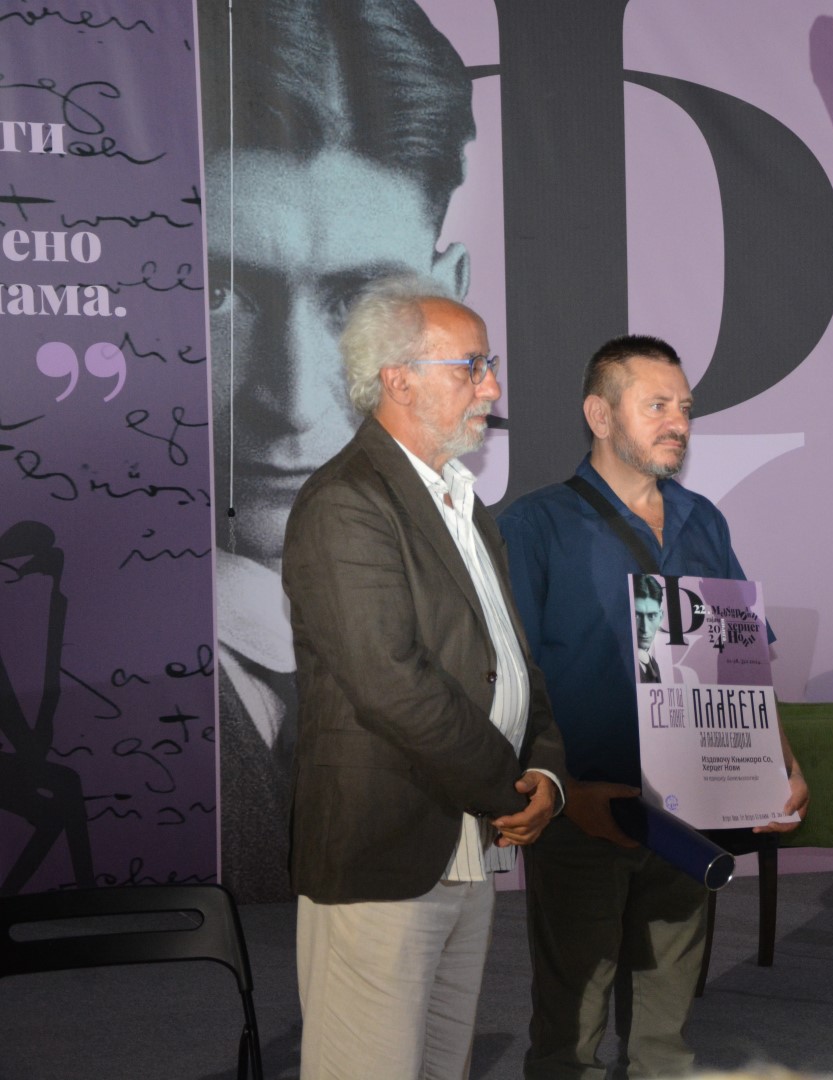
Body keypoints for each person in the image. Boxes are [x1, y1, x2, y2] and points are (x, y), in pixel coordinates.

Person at [198, 0, 480, 902]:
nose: (289, 401)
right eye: (221, 295)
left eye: (361, 304)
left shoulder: (472, 562)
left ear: (451, 304)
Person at [499, 334, 810, 1080]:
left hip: (688, 806)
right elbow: (511, 677)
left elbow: (741, 662)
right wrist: (564, 791)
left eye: (685, 408)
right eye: (658, 406)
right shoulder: (533, 525)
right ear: (600, 415)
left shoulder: (704, 520)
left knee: (666, 1028)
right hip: (586, 802)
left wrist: (783, 764)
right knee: (569, 1025)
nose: (679, 423)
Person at [282, 276, 567, 1079]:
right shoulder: (345, 501)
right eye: (472, 366)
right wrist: (509, 790)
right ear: (398, 379)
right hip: (384, 848)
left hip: (466, 840)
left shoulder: (463, 503)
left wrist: (547, 771)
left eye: (490, 365)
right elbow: (390, 682)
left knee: (443, 1066)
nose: (493, 387)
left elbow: (512, 662)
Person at [633, 575, 667, 684]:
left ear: (660, 617)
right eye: (637, 616)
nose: (645, 628)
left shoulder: (654, 665)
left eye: (652, 616)